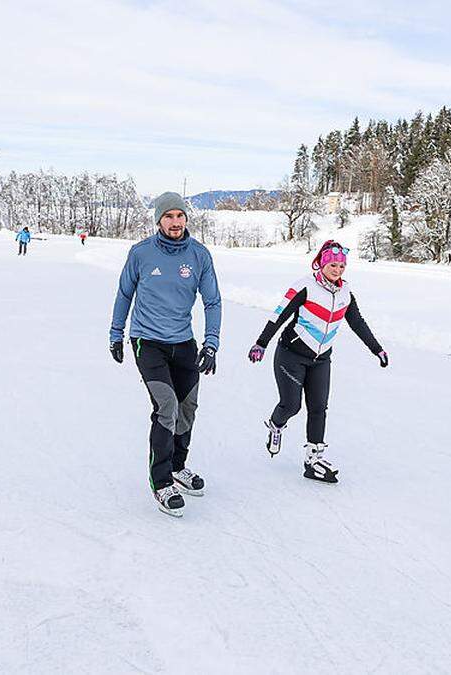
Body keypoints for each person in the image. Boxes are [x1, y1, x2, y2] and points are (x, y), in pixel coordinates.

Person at [110, 192, 221, 517]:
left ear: (186, 219)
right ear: (159, 220)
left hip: (183, 341)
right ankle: (161, 482)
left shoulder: (199, 255)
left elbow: (212, 301)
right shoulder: (141, 253)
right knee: (166, 406)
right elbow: (124, 293)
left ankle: (177, 467)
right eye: (169, 216)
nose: (175, 222)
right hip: (147, 341)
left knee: (187, 407)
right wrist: (116, 333)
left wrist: (211, 342)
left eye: (180, 216)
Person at [248, 240, 387, 483]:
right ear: (321, 264)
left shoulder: (345, 293)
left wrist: (377, 349)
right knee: (291, 406)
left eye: (341, 266)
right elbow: (279, 316)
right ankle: (275, 425)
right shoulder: (305, 287)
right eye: (332, 265)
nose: (337, 270)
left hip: (321, 359)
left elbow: (357, 323)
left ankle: (313, 458)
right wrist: (261, 343)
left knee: (319, 408)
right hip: (291, 355)